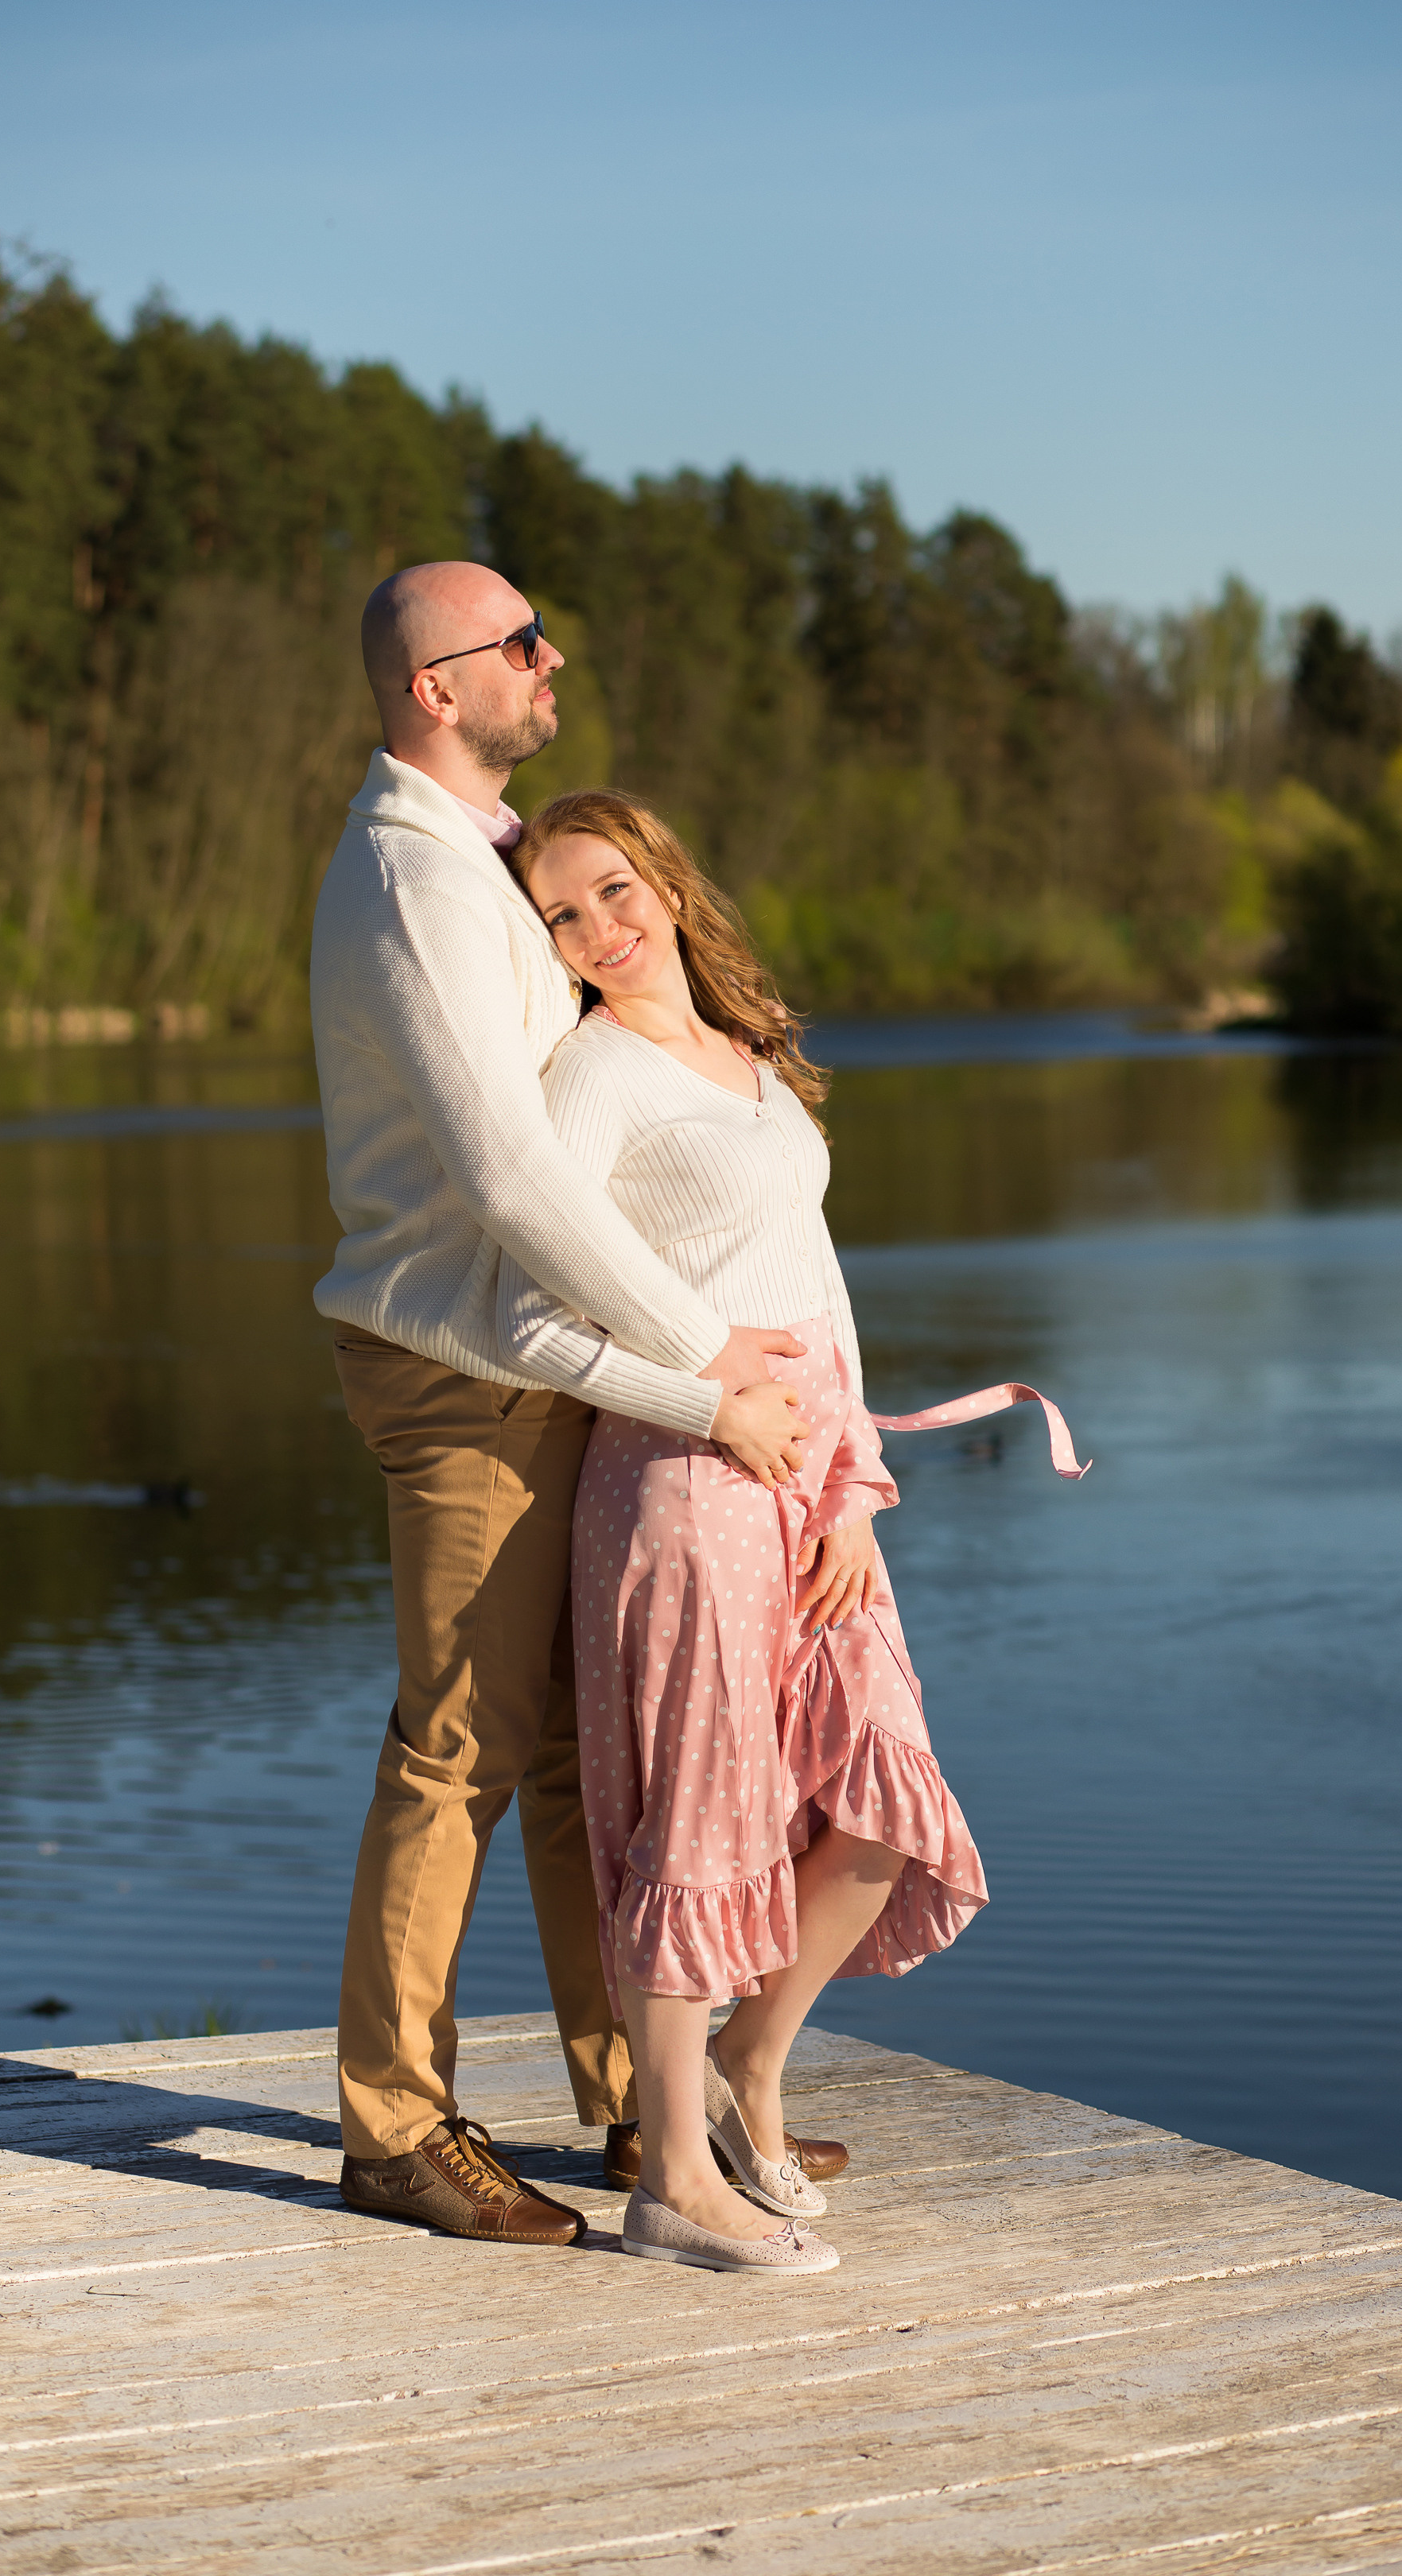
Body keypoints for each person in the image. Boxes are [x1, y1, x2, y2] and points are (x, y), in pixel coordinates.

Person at [312, 563, 845, 2248]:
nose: (556, 659)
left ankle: (640, 2106)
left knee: (579, 1753)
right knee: (460, 1741)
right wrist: (701, 1361)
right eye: (520, 644)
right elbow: (511, 1176)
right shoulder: (413, 879)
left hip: (546, 1355)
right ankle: (395, 2122)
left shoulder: (492, 857)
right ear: (435, 688)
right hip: (465, 1364)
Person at [511, 789, 995, 2274]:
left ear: (661, 877)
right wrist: (711, 1409)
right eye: (562, 917)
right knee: (700, 1821)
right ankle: (671, 2181)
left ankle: (752, 2068)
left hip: (812, 1486)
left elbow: (819, 1291)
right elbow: (536, 1326)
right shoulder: (589, 1076)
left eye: (612, 889)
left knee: (880, 1796)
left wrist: (851, 1484)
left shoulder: (751, 1057)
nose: (602, 927)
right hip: (682, 1484)